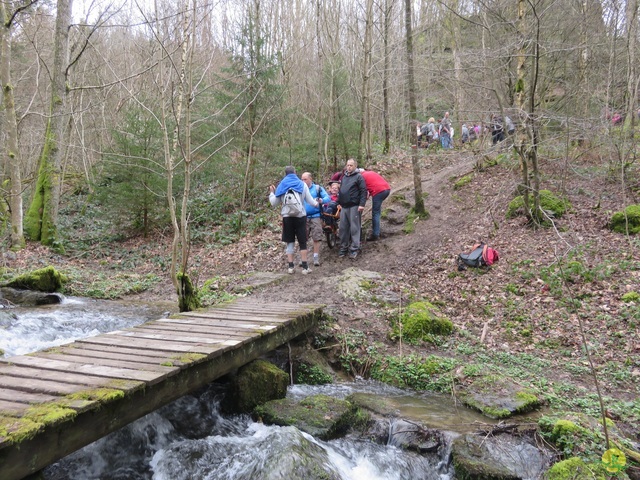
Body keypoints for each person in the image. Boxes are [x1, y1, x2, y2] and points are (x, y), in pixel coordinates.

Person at [269, 166, 320, 274]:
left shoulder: (282, 185)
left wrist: (272, 193)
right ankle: (305, 267)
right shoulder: (302, 184)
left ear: (285, 173)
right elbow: (310, 201)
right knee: (302, 241)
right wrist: (317, 204)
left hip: (287, 217)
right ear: (295, 173)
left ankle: (291, 267)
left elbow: (274, 203)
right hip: (300, 216)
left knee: (290, 241)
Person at [338, 159, 367, 259]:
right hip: (344, 206)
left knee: (354, 228)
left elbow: (363, 191)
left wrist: (362, 204)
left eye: (351, 165)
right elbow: (341, 190)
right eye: (347, 165)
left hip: (354, 206)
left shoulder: (359, 177)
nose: (349, 167)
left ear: (355, 166)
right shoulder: (344, 177)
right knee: (343, 228)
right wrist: (339, 202)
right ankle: (343, 248)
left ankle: (354, 248)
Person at [301, 172, 330, 266]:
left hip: (316, 216)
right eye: (302, 179)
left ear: (310, 179)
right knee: (302, 237)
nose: (303, 181)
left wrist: (322, 200)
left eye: (305, 179)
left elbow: (327, 198)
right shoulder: (300, 188)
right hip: (303, 216)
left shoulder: (317, 188)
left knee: (316, 237)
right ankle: (303, 259)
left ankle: (316, 258)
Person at [360, 169, 391, 241]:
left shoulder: (361, 177)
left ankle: (375, 234)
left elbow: (364, 191)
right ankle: (377, 231)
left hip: (378, 191)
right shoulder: (370, 172)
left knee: (375, 213)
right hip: (387, 189)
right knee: (377, 211)